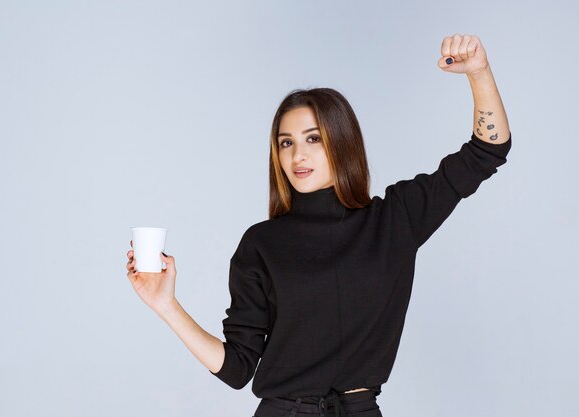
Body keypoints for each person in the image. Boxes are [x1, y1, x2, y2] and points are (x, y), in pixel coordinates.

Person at [125, 33, 512, 417]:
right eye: (286, 142)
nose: (298, 154)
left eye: (313, 138)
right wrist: (166, 305)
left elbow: (487, 151)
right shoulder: (261, 244)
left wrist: (478, 72)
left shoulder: (394, 219)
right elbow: (238, 368)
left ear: (341, 143)